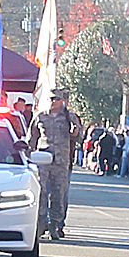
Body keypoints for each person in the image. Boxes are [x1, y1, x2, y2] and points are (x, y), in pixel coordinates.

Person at [33, 90, 78, 239]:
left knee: (58, 194)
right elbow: (31, 138)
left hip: (61, 162)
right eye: (51, 99)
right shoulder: (41, 117)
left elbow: (80, 137)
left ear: (62, 100)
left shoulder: (69, 117)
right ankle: (40, 224)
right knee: (41, 193)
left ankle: (55, 224)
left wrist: (75, 133)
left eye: (57, 99)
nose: (54, 102)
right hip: (43, 159)